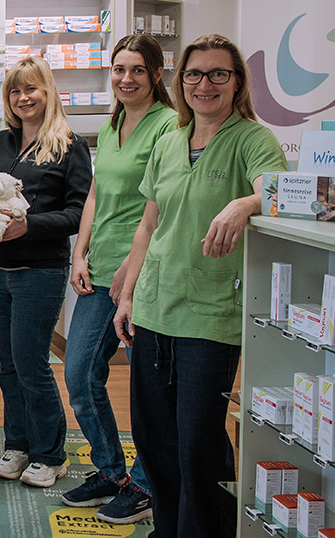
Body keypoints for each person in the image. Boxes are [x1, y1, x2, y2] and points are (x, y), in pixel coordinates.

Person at [114, 34, 286, 537]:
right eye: (193, 74)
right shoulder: (169, 140)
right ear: (179, 81)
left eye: (217, 74)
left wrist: (243, 204)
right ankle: (167, 529)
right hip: (152, 308)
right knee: (154, 440)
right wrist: (126, 296)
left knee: (198, 443)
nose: (204, 84)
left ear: (237, 82)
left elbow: (272, 192)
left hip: (210, 315)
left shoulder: (253, 139)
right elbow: (149, 225)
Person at [61, 34, 175, 522]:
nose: (126, 79)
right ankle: (111, 470)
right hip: (100, 270)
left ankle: (149, 486)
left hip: (142, 275)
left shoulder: (169, 126)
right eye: (119, 69)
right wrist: (79, 254)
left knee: (149, 390)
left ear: (155, 76)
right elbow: (93, 197)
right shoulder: (111, 125)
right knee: (80, 374)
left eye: (137, 70)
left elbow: (159, 208)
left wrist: (130, 271)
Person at [0, 56, 91, 489]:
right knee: (8, 365)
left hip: (39, 270)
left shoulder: (69, 145)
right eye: (15, 91)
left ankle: (50, 453)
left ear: (48, 92)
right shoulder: (1, 143)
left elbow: (80, 213)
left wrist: (29, 226)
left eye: (31, 89)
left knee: (31, 364)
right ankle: (18, 444)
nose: (23, 98)